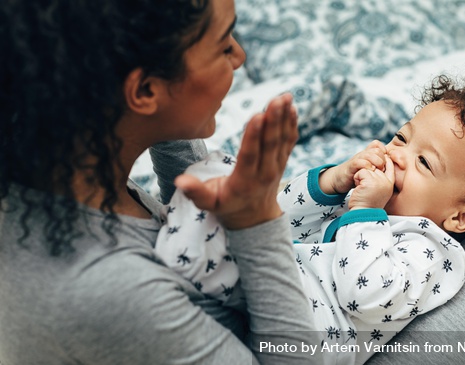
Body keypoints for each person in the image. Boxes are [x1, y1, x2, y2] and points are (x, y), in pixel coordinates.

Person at [0, 1, 326, 364]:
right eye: (223, 45)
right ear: (144, 92)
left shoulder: (59, 172)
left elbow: (181, 244)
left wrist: (168, 124)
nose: (240, 56)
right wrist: (258, 220)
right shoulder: (110, 288)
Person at [156, 75, 465, 364]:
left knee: (208, 196)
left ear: (460, 218)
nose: (398, 155)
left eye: (424, 162)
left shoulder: (433, 251)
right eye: (401, 137)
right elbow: (282, 220)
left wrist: (364, 213)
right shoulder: (359, 203)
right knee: (222, 195)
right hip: (256, 300)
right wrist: (331, 181)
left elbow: (369, 295)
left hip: (300, 341)